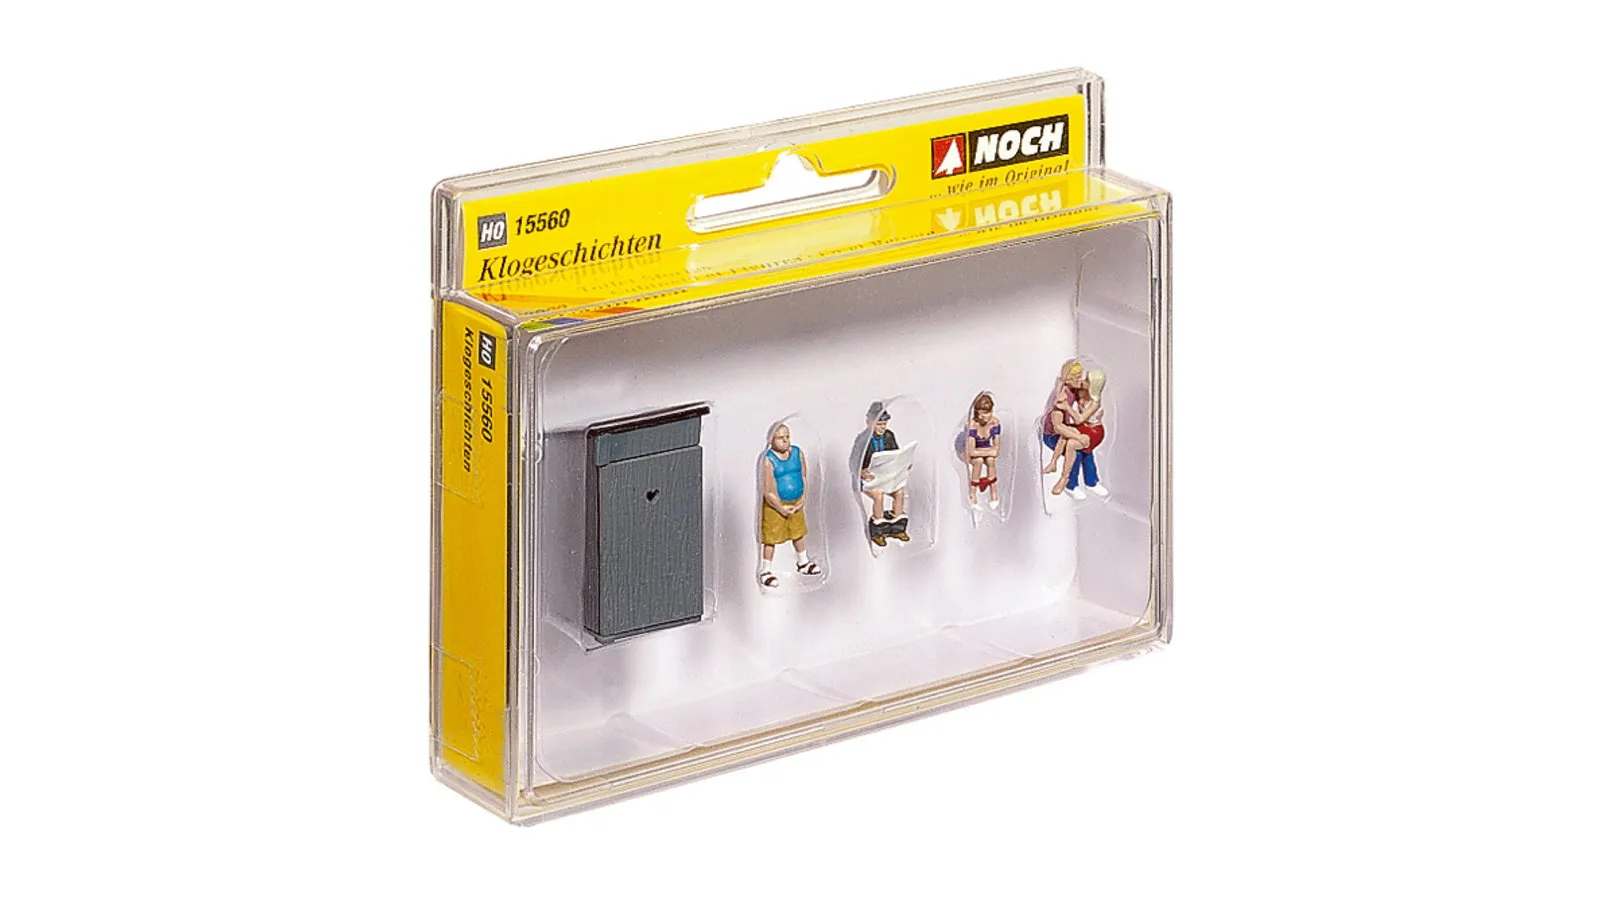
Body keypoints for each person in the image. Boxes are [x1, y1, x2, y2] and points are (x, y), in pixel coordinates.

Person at [759, 424, 822, 587]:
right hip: (775, 506)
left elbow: (804, 477)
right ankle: (765, 570)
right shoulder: (768, 460)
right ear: (771, 440)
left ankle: (803, 562)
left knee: (798, 533)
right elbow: (767, 490)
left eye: (787, 436)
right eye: (781, 438)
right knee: (771, 539)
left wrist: (802, 501)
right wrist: (780, 508)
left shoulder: (797, 453)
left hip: (795, 503)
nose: (785, 440)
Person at [1042, 360, 1110, 499]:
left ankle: (1086, 482)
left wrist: (1067, 407)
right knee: (1078, 450)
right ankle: (1071, 484)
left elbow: (1078, 419)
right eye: (1079, 378)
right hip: (1060, 431)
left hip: (1093, 431)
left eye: (1084, 379)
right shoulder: (1070, 394)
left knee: (1081, 449)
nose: (1081, 380)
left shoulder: (1092, 400)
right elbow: (1058, 424)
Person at [860, 408, 910, 545]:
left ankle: (897, 528)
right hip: (869, 479)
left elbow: (896, 454)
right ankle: (878, 530)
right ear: (871, 423)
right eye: (879, 424)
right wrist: (861, 471)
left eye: (884, 424)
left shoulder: (888, 436)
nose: (882, 427)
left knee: (899, 493)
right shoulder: (863, 440)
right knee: (878, 495)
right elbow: (854, 462)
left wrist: (903, 463)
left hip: (886, 476)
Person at [965, 392, 1002, 509]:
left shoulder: (994, 422)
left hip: (984, 449)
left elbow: (996, 450)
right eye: (984, 413)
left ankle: (993, 492)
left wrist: (988, 452)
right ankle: (972, 493)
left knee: (991, 460)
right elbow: (971, 451)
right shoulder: (973, 424)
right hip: (970, 451)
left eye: (988, 412)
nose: (987, 416)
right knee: (979, 461)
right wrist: (988, 451)